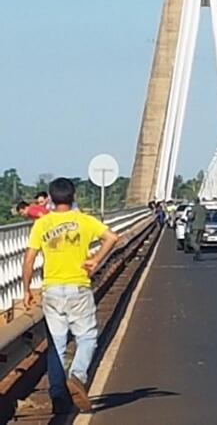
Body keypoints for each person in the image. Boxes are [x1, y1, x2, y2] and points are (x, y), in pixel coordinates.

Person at [21, 177, 119, 413]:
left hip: (52, 289)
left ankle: (57, 395)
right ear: (73, 196)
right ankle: (77, 375)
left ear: (51, 200)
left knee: (56, 344)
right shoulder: (84, 220)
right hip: (78, 288)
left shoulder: (42, 224)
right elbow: (113, 238)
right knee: (86, 337)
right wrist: (95, 260)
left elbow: (29, 259)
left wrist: (26, 290)